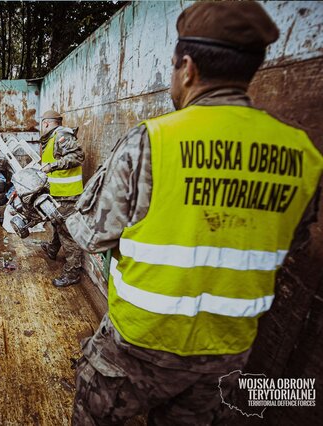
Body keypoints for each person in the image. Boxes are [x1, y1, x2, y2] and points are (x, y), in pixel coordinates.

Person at [65, 2, 323, 425]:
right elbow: (291, 244)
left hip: (140, 345)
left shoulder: (151, 141)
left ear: (187, 68)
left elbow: (92, 234)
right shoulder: (304, 155)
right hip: (228, 352)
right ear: (250, 69)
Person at [38, 110, 85, 287]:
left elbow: (77, 157)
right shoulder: (52, 138)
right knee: (56, 223)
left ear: (47, 123)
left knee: (67, 233)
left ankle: (73, 273)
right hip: (58, 192)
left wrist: (52, 166)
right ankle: (52, 249)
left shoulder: (62, 135)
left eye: (42, 123)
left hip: (68, 194)